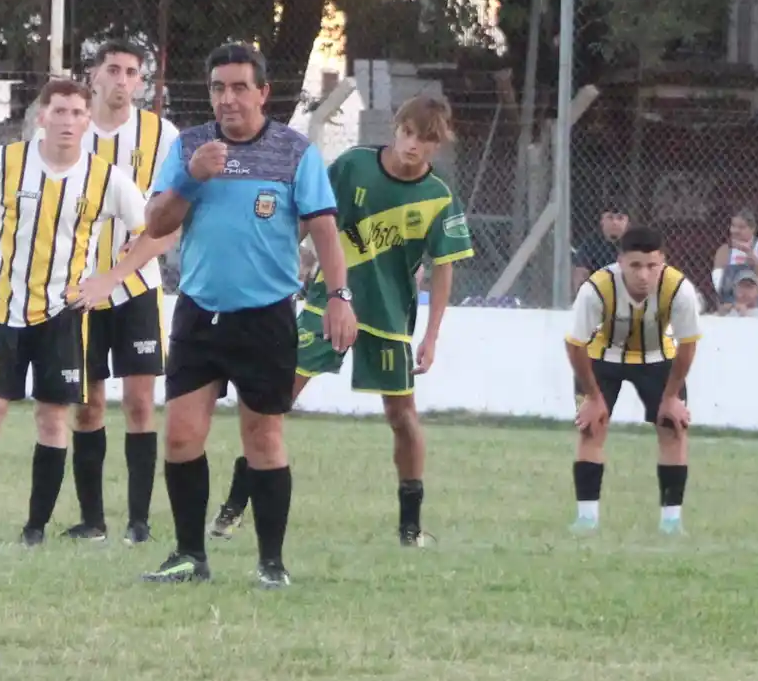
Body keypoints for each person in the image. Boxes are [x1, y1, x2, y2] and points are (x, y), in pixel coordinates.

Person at [136, 42, 356, 588]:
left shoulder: (294, 152)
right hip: (199, 314)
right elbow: (157, 223)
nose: (228, 98)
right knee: (181, 438)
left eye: (239, 87)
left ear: (263, 93)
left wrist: (338, 296)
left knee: (263, 439)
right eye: (218, 88)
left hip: (265, 317)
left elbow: (325, 229)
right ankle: (190, 556)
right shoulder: (190, 146)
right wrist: (190, 177)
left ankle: (271, 563)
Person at [211, 96, 475, 547]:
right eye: (408, 133)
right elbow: (310, 215)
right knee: (276, 401)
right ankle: (234, 506)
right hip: (328, 303)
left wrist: (431, 336)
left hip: (389, 316)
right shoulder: (354, 165)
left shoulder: (439, 196)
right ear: (396, 128)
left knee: (402, 417)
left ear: (438, 143)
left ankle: (410, 527)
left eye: (425, 139)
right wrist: (280, 265)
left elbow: (444, 267)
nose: (413, 145)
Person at [0, 77, 174, 546]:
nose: (67, 121)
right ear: (42, 116)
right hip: (5, 313)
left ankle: (35, 529)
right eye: (59, 111)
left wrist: (112, 277)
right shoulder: (5, 162)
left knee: (52, 419)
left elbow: (157, 230)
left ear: (87, 121)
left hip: (64, 318)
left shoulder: (105, 178)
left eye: (77, 113)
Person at [53, 40, 180, 546]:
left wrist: (140, 248)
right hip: (80, 288)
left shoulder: (161, 134)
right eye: (113, 69)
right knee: (87, 405)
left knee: (140, 403)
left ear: (141, 82)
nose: (122, 80)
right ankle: (93, 521)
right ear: (94, 76)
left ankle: (139, 521)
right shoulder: (71, 130)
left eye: (131, 72)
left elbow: (175, 212)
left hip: (138, 287)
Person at [566, 225, 702, 535]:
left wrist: (671, 398)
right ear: (620, 262)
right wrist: (593, 398)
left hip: (657, 357)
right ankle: (586, 520)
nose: (643, 275)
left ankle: (671, 522)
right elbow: (575, 346)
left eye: (652, 266)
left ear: (662, 261)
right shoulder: (596, 288)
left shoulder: (679, 289)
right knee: (591, 428)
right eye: (635, 265)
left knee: (673, 429)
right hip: (603, 356)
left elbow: (687, 345)